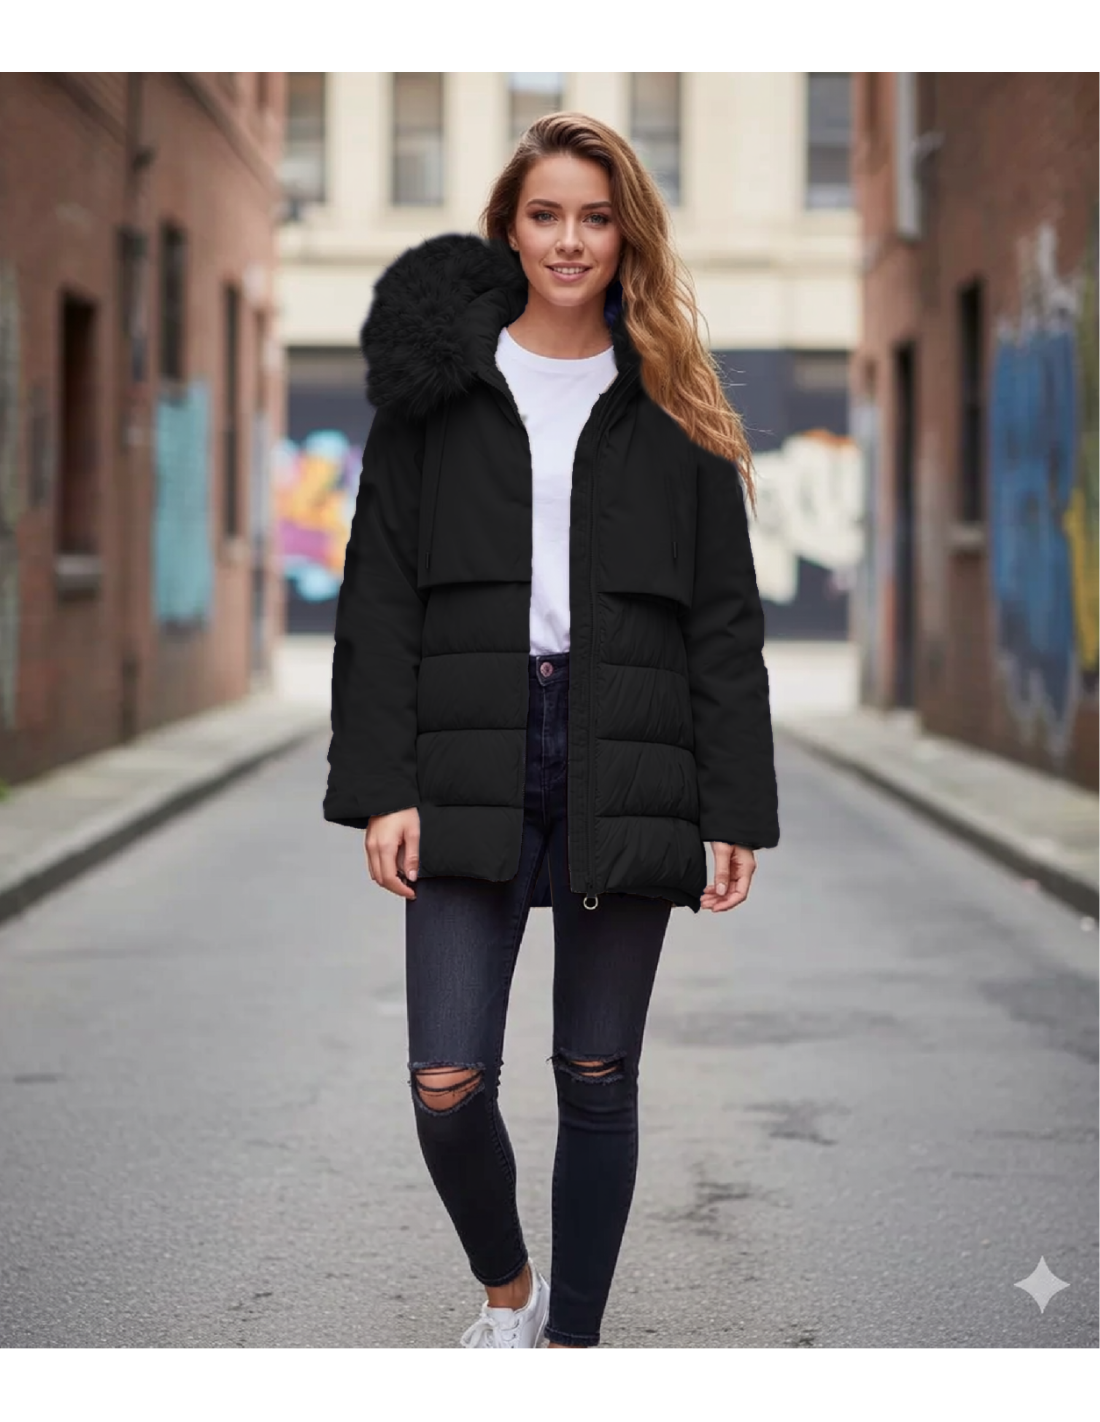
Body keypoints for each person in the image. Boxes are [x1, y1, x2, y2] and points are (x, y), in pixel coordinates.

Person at [323, 111, 779, 1349]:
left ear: (626, 233)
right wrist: (382, 784)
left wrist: (733, 809)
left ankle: (572, 1347)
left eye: (593, 216)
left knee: (595, 1073)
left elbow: (722, 624)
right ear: (508, 230)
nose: (569, 240)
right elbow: (377, 597)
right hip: (465, 747)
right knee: (445, 1081)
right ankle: (509, 1293)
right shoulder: (436, 391)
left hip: (624, 747)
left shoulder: (674, 398)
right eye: (544, 215)